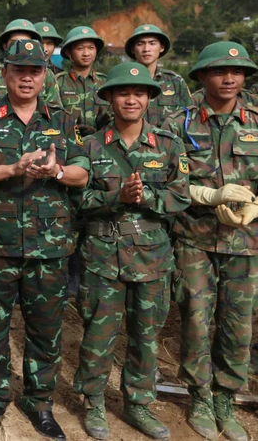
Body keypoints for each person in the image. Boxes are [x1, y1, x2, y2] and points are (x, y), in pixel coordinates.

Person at [0, 39, 89, 440]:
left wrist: (58, 172)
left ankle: (39, 402)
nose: (27, 78)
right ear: (5, 74)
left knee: (45, 329)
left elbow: (83, 173)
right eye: (19, 70)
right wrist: (13, 169)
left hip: (48, 248)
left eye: (35, 71)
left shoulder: (63, 120)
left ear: (45, 76)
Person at [73, 62, 190, 440]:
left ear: (149, 98)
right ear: (109, 97)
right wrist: (116, 197)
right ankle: (93, 401)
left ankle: (137, 403)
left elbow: (180, 197)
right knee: (98, 334)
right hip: (102, 257)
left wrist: (146, 197)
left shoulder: (168, 145)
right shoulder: (90, 145)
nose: (131, 99)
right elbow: (76, 201)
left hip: (152, 258)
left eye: (139, 93)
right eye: (123, 92)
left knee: (146, 337)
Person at [162, 42, 258, 441]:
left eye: (236, 72)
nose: (229, 78)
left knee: (238, 324)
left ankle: (225, 397)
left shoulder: (256, 120)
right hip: (194, 239)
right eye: (219, 71)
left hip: (246, 242)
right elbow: (166, 179)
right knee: (196, 320)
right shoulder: (178, 123)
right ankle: (200, 395)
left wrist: (255, 205)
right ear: (201, 76)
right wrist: (207, 196)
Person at [0, 19, 62, 107]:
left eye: (26, 43)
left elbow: (54, 110)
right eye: (14, 43)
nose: (20, 47)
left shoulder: (47, 75)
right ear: (5, 46)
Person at [124, 24, 193, 126]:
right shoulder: (122, 81)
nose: (146, 49)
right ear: (133, 49)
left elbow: (189, 118)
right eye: (140, 44)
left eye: (152, 43)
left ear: (161, 47)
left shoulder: (175, 82)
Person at [56, 26, 108, 137]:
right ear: (69, 53)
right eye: (80, 48)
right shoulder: (58, 83)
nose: (86, 53)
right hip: (68, 142)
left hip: (101, 143)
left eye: (91, 48)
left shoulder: (105, 83)